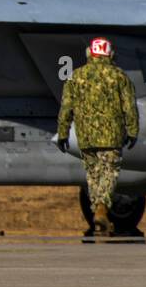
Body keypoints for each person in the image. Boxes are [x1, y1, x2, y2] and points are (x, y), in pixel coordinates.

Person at [56, 37, 140, 237]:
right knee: (108, 173)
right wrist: (133, 130)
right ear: (110, 55)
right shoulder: (119, 76)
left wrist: (63, 132)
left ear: (89, 54)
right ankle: (102, 207)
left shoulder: (76, 76)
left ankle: (98, 214)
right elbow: (130, 107)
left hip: (85, 136)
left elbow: (66, 108)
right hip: (111, 136)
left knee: (93, 176)